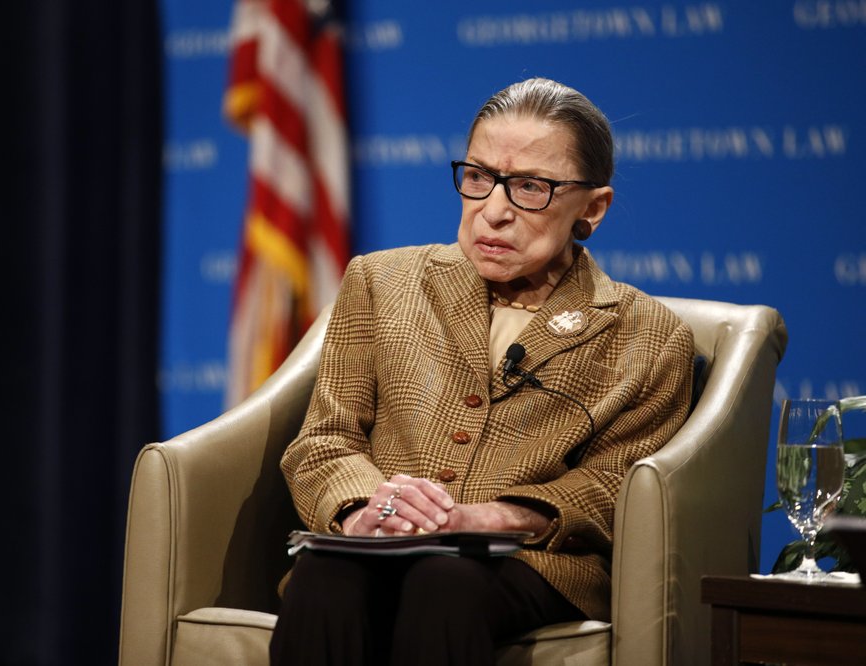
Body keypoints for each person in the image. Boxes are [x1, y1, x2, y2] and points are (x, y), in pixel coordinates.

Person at [269, 77, 694, 666]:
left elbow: (612, 488)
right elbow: (325, 438)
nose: (493, 212)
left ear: (592, 207)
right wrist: (364, 508)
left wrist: (490, 518)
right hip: (377, 542)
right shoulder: (381, 282)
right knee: (325, 570)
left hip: (532, 563)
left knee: (443, 583)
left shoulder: (648, 335)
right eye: (478, 177)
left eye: (530, 188)